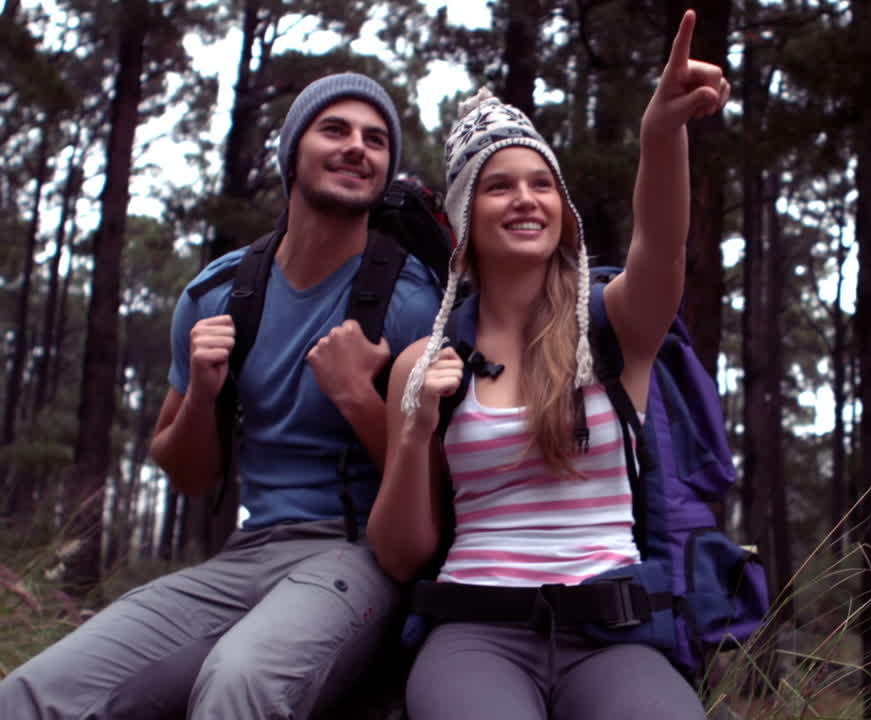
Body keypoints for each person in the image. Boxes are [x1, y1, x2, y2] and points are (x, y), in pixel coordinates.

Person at [0, 72, 442, 719]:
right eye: (335, 129)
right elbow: (188, 473)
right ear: (292, 151)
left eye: (376, 140)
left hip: (356, 556)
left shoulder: (411, 299)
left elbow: (438, 493)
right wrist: (204, 394)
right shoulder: (221, 293)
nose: (358, 147)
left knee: (244, 680)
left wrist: (357, 398)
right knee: (36, 693)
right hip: (247, 554)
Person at [367, 10, 729, 720]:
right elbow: (403, 553)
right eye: (500, 186)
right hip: (474, 634)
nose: (527, 198)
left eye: (542, 184)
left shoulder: (615, 325)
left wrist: (660, 133)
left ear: (563, 210)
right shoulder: (427, 358)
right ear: (468, 216)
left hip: (615, 635)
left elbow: (663, 239)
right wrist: (412, 432)